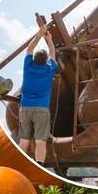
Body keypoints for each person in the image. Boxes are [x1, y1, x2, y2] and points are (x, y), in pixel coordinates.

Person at [19, 25, 58, 162]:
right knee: (40, 141)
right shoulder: (49, 70)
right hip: (41, 110)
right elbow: (53, 54)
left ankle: (21, 163)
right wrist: (50, 40)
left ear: (33, 59)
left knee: (24, 141)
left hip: (25, 108)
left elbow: (29, 49)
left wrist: (39, 35)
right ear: (46, 60)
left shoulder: (28, 66)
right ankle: (39, 164)